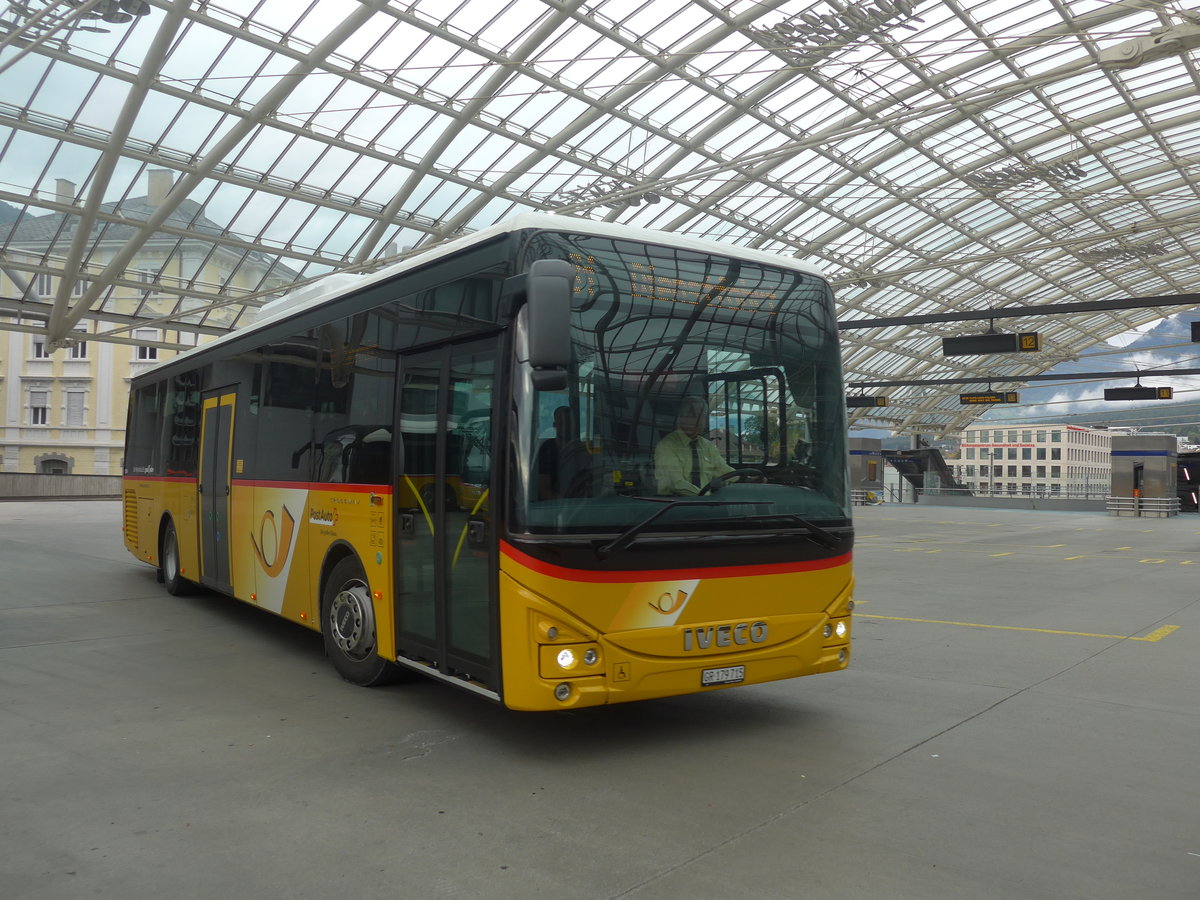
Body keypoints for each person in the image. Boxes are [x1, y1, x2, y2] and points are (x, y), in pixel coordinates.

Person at [655, 395, 734, 496]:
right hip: (673, 506)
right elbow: (676, 483)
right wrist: (705, 498)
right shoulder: (667, 445)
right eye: (693, 415)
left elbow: (725, 472)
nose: (700, 420)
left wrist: (749, 479)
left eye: (703, 416)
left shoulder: (707, 446)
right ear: (681, 418)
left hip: (704, 505)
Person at [537, 406, 590, 499]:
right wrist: (564, 505)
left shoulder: (584, 450)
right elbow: (543, 487)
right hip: (554, 507)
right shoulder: (547, 449)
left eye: (569, 423)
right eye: (562, 423)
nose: (566, 427)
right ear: (555, 425)